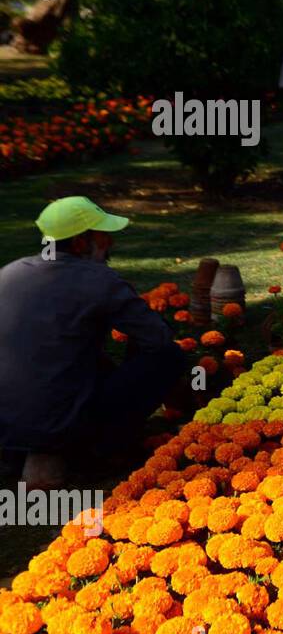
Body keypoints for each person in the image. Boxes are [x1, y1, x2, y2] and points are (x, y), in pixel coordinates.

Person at [0, 197, 187, 487]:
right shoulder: (99, 280)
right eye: (103, 236)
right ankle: (99, 448)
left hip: (6, 425)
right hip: (61, 427)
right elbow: (158, 338)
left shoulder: (9, 274)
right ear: (79, 243)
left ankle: (24, 452)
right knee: (168, 356)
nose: (110, 242)